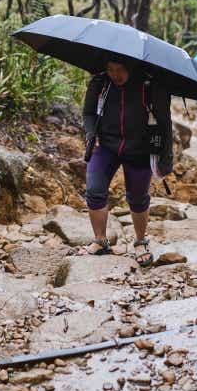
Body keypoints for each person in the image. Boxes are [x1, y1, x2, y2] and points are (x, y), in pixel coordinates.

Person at [81, 55, 172, 267]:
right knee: (94, 192)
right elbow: (88, 113)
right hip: (106, 146)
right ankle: (100, 240)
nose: (116, 75)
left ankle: (140, 242)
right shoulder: (100, 82)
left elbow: (165, 123)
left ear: (130, 67)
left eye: (121, 69)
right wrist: (90, 134)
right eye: (111, 69)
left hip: (140, 149)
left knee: (138, 198)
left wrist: (164, 158)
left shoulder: (150, 85)